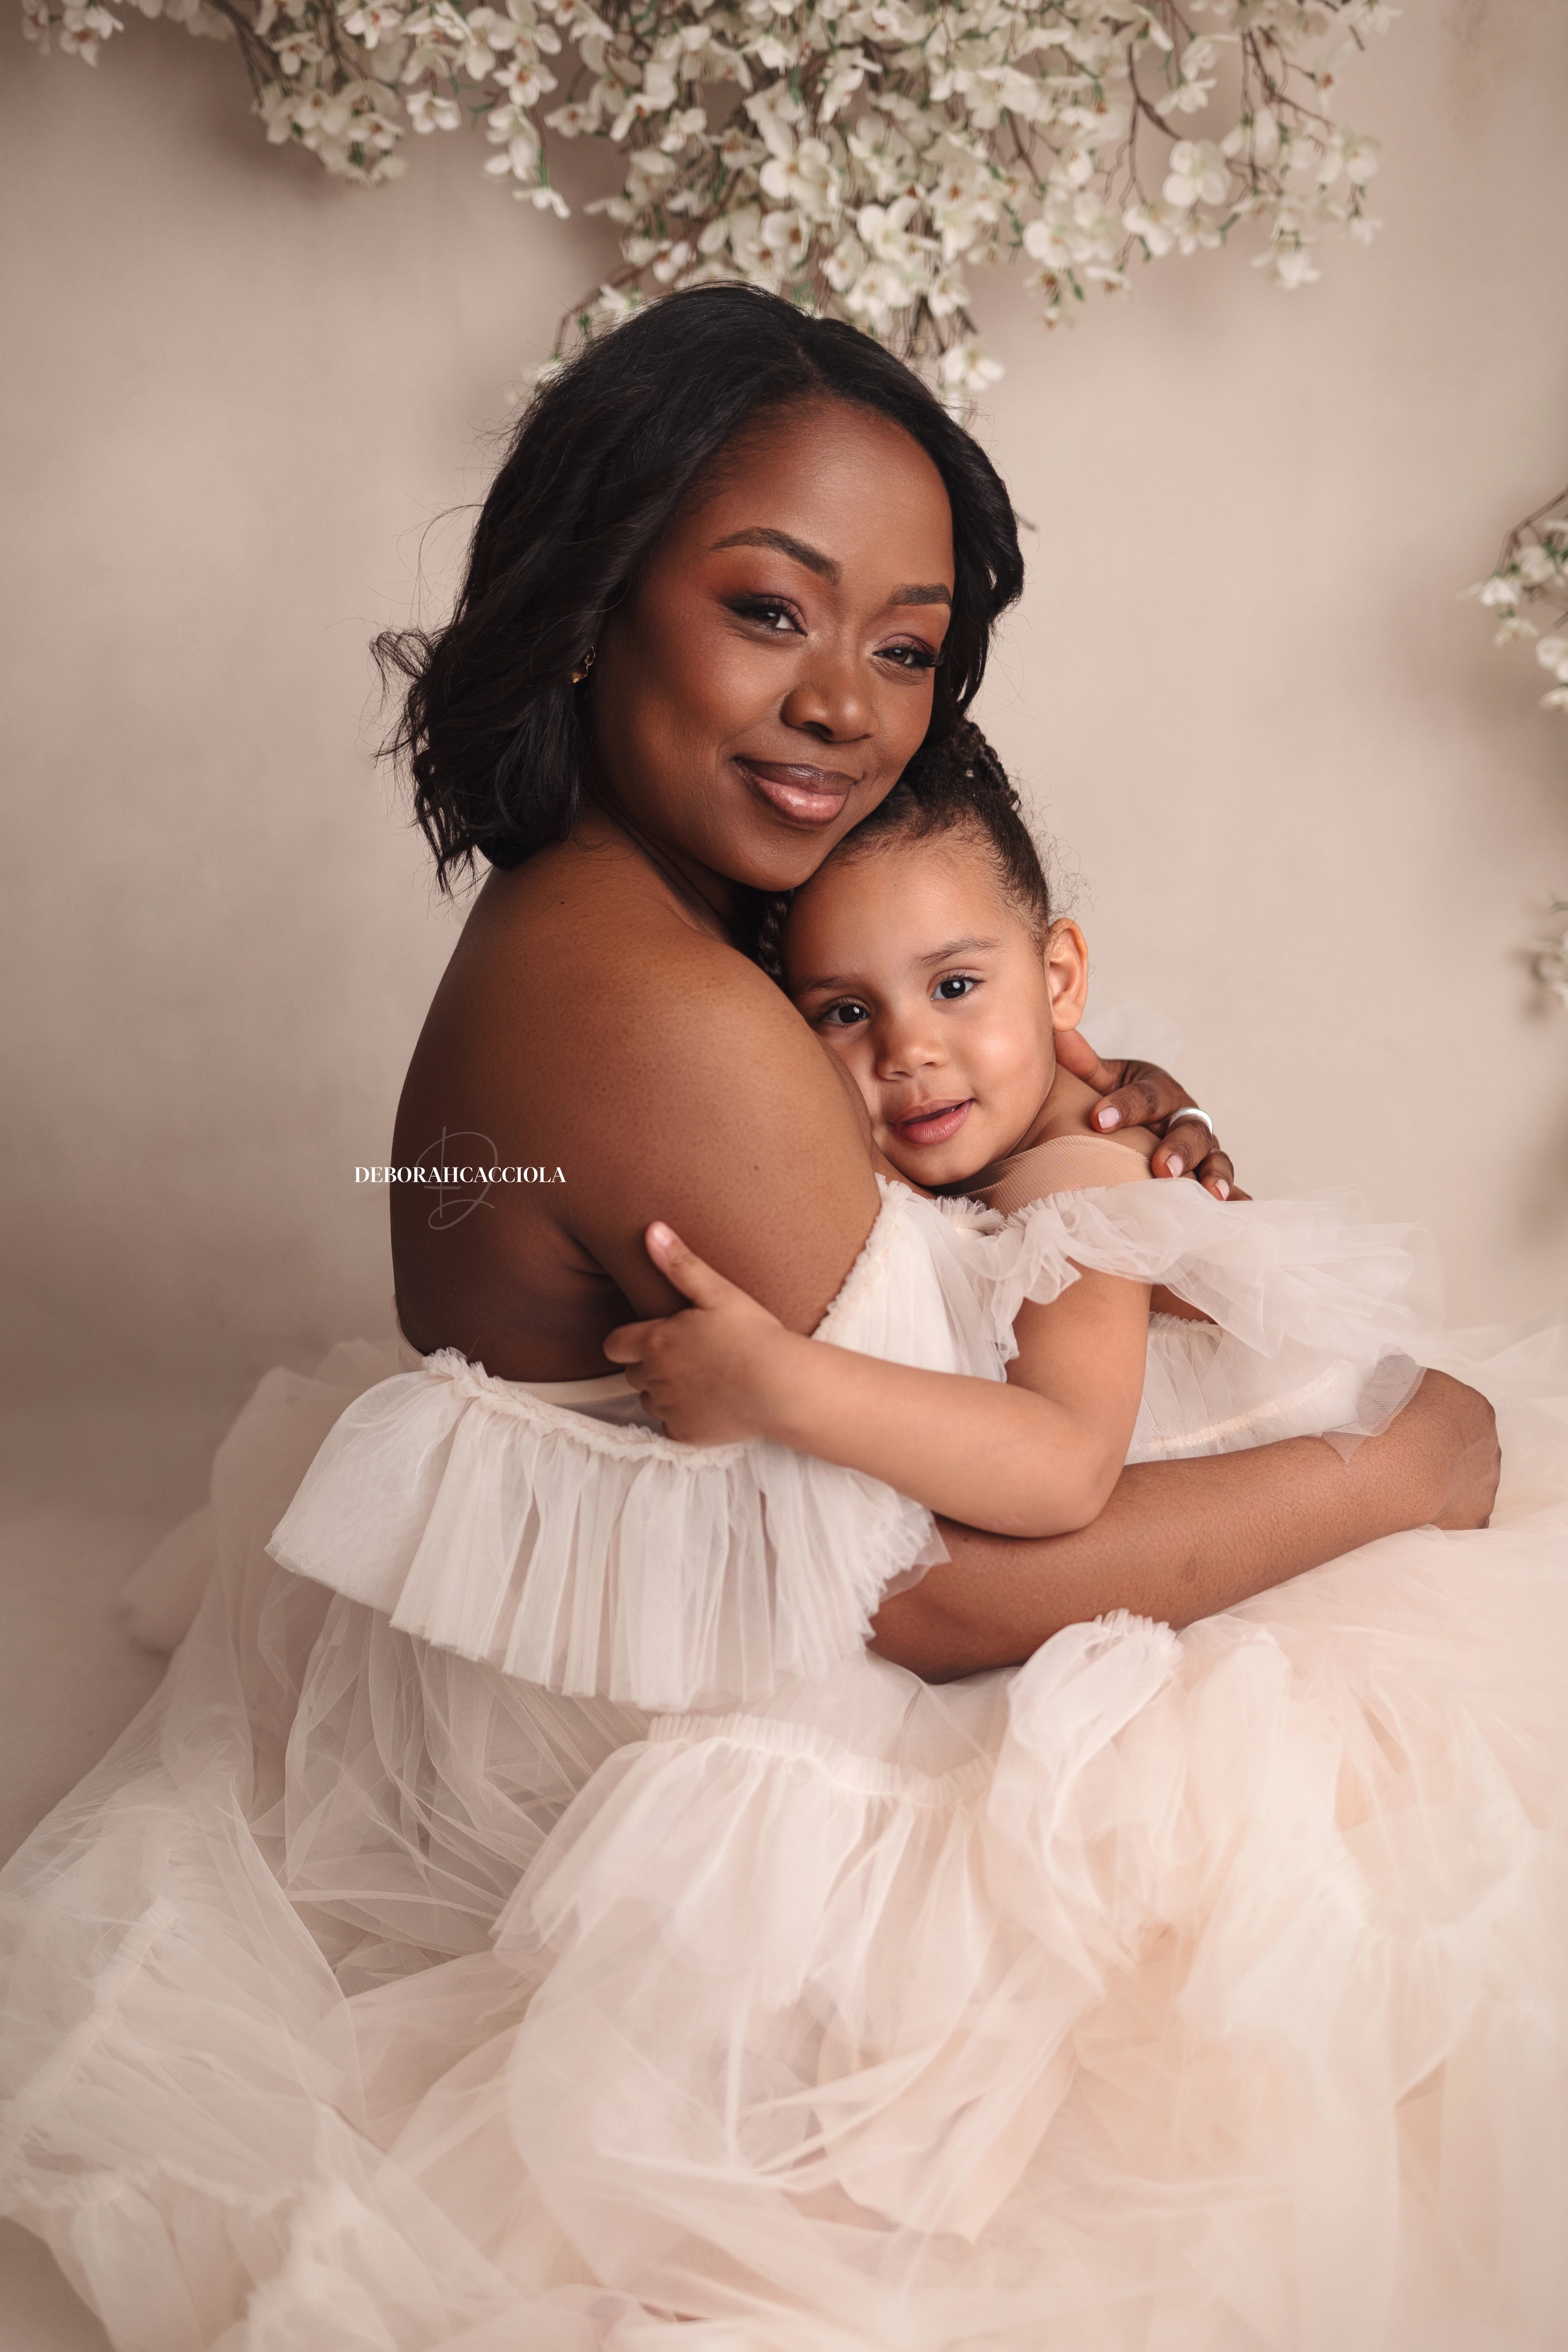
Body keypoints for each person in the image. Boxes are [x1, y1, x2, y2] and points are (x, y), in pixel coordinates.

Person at [0, 286, 1544, 2352]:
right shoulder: (662, 1014)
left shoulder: (634, 899)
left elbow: (895, 1158)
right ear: (587, 602)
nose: (847, 706)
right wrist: (1397, 1460)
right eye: (770, 610)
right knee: (1384, 1829)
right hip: (733, 1756)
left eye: (902, 645)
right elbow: (937, 1599)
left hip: (787, 1540)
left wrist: (1062, 1152)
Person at [602, 727, 1431, 1548]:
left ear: (1058, 977)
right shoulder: (979, 1131)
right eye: (846, 1013)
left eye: (953, 985)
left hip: (1265, 1545)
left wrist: (771, 1383)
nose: (908, 1052)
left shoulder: (1082, 1182)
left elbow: (1062, 1468)